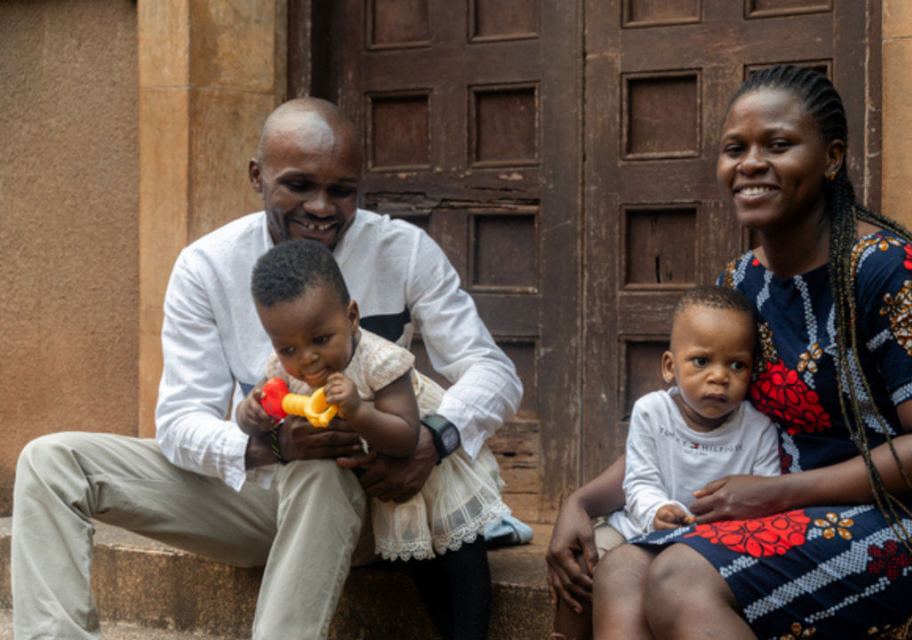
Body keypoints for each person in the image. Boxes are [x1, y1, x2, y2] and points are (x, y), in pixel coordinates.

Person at [12, 97, 522, 640]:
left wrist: (433, 439)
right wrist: (270, 445)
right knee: (52, 461)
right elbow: (181, 424)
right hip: (256, 497)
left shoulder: (403, 251)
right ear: (258, 176)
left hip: (374, 505)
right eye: (299, 185)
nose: (321, 207)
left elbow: (492, 370)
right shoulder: (208, 266)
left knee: (322, 466)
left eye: (341, 190)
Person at [547, 65, 912, 639]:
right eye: (734, 149)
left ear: (832, 158)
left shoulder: (885, 269)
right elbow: (681, 426)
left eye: (778, 145)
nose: (750, 163)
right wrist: (580, 502)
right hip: (785, 515)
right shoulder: (740, 285)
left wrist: (778, 493)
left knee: (678, 579)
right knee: (618, 570)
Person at [239, 239, 509, 637]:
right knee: (422, 568)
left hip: (430, 472)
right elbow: (265, 410)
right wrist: (250, 414)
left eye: (321, 339)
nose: (307, 359)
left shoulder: (380, 361)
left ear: (351, 316)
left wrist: (358, 410)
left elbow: (405, 439)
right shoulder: (283, 369)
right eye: (288, 348)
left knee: (460, 558)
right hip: (386, 489)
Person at [552, 286, 780, 640]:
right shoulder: (652, 412)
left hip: (712, 545)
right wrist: (657, 511)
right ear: (670, 367)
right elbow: (639, 480)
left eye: (737, 365)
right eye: (702, 361)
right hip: (638, 527)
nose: (720, 376)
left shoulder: (758, 429)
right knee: (583, 563)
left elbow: (766, 498)